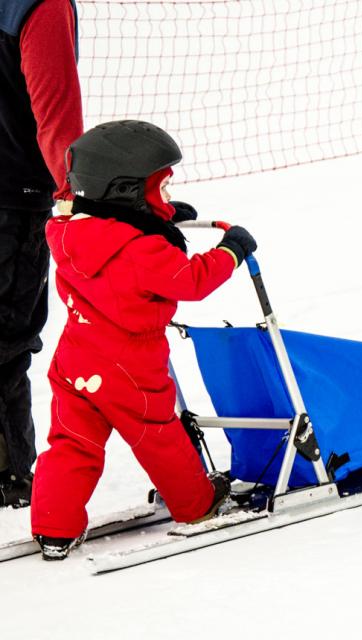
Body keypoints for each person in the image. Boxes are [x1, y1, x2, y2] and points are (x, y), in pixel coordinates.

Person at [30, 120, 257, 560]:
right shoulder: (142, 250)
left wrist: (162, 219)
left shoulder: (70, 231)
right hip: (130, 365)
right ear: (129, 193)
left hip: (77, 358)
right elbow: (189, 280)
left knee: (72, 441)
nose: (167, 200)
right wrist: (231, 250)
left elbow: (115, 233)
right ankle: (196, 505)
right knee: (159, 435)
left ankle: (53, 527)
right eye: (161, 192)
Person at [0, 0, 83, 508]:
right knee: (6, 340)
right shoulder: (43, 6)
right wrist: (83, 199)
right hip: (14, 202)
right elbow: (56, 119)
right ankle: (9, 483)